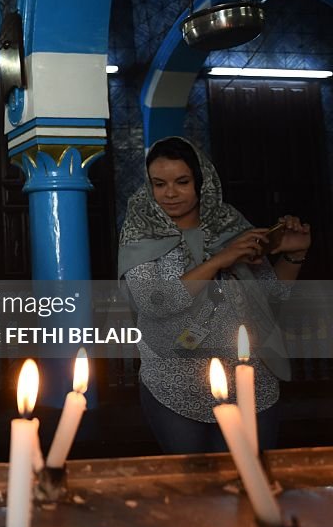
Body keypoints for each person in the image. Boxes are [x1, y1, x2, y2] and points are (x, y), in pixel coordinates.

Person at [118, 136, 311, 454]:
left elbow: (272, 297)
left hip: (250, 381)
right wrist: (221, 258)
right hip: (174, 384)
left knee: (251, 483)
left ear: (202, 181)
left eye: (182, 181)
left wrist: (294, 255)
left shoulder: (231, 225)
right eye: (159, 183)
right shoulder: (140, 233)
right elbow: (156, 303)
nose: (170, 193)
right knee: (195, 490)